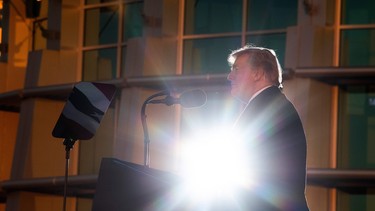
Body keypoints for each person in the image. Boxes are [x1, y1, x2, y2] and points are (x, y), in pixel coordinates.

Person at [226, 45, 309, 210]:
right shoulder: (270, 105)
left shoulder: (267, 109)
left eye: (236, 69)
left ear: (257, 73)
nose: (230, 76)